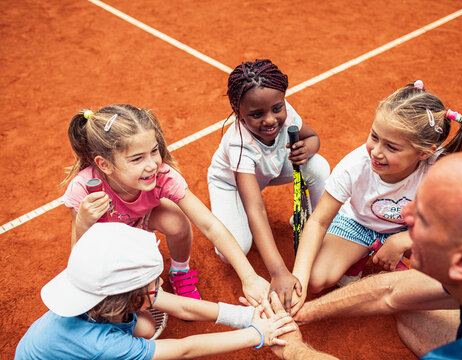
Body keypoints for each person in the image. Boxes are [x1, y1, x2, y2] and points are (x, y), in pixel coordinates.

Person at [281, 152, 462, 359]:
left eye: (425, 218)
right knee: (409, 305)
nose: (404, 216)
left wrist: (295, 350)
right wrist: (303, 312)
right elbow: (389, 292)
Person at [290, 80, 462, 313]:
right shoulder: (354, 166)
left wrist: (405, 239)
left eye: (392, 147)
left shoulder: (441, 169)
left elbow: (454, 220)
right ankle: (361, 255)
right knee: (316, 280)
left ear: (424, 153)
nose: (376, 152)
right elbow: (318, 221)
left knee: (449, 269)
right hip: (356, 223)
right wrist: (299, 282)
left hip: (408, 227)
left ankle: (380, 250)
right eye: (374, 136)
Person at [62, 104, 269, 304]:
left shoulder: (162, 175)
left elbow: (210, 225)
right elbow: (79, 252)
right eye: (137, 159)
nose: (152, 165)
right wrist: (83, 221)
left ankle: (180, 270)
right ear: (104, 164)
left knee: (176, 221)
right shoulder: (83, 189)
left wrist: (249, 277)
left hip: (141, 221)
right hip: (110, 243)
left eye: (154, 151)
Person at [15, 223, 296, 360]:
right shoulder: (104, 345)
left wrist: (246, 316)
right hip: (87, 349)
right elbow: (185, 350)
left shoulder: (104, 295)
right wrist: (259, 334)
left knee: (147, 327)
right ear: (131, 297)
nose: (160, 284)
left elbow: (184, 307)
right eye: (155, 283)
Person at [207, 59, 330, 311]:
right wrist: (279, 272)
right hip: (231, 183)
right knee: (234, 249)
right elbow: (256, 209)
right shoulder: (238, 144)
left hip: (270, 169)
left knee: (318, 166)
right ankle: (225, 210)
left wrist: (308, 148)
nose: (271, 120)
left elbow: (313, 137)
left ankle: (316, 226)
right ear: (237, 110)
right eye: (256, 114)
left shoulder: (284, 110)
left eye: (277, 108)